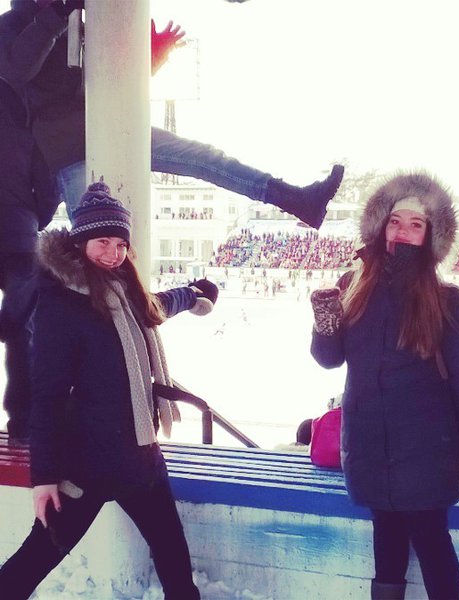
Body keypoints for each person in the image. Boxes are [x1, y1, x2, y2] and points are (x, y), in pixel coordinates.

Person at [0, 182, 213, 599]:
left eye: (120, 244)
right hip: (84, 468)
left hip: (141, 459)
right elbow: (47, 397)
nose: (113, 254)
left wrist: (193, 295)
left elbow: (155, 306)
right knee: (34, 561)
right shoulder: (61, 303)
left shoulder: (124, 290)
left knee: (173, 558)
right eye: (103, 243)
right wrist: (44, 478)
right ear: (80, 243)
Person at [0, 0, 344, 229]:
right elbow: (16, 70)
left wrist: (152, 57)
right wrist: (57, 15)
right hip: (66, 148)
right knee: (96, 239)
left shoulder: (80, 23)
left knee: (205, 158)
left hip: (112, 124)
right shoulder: (14, 24)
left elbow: (111, 87)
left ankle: (296, 200)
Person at [310, 172, 459, 600]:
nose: (402, 231)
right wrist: (325, 319)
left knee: (431, 541)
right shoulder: (354, 286)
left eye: (415, 224)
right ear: (380, 225)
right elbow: (330, 359)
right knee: (385, 539)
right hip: (369, 446)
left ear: (431, 235)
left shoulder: (447, 300)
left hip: (426, 452)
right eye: (395, 221)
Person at [0, 78, 58, 443]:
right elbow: (48, 193)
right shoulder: (26, 139)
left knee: (18, 328)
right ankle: (21, 420)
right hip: (20, 240)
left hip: (19, 234)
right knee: (23, 333)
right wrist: (33, 220)